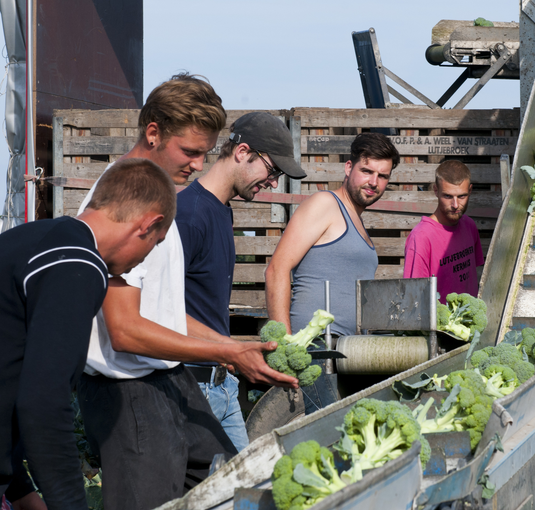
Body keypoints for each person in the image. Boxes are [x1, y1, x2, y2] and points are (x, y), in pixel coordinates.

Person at [75, 74, 297, 510]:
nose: (198, 165)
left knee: (235, 487)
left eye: (203, 153)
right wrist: (222, 354)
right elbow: (124, 330)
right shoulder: (118, 199)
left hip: (169, 379)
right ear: (153, 133)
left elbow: (166, 312)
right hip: (127, 391)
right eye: (190, 152)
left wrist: (232, 344)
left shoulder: (164, 196)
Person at [0, 159, 176, 510]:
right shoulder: (78, 263)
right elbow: (44, 402)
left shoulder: (26, 240)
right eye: (155, 244)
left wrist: (20, 493)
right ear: (149, 224)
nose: (142, 261)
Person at [176, 111, 306, 452]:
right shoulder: (187, 216)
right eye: (273, 169)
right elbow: (161, 311)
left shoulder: (222, 210)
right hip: (190, 387)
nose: (274, 182)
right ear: (243, 152)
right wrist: (233, 351)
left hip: (222, 386)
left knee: (245, 492)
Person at [265, 132, 399, 412]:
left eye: (383, 176)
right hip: (313, 351)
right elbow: (277, 269)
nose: (374, 182)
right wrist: (285, 347)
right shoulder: (325, 204)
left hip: (346, 353)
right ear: (348, 168)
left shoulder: (357, 221)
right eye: (367, 171)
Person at [403, 160, 484, 300]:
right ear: (436, 190)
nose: (455, 205)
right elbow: (412, 295)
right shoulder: (421, 237)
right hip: (441, 321)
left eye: (462, 196)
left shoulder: (469, 226)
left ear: (470, 190)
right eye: (448, 196)